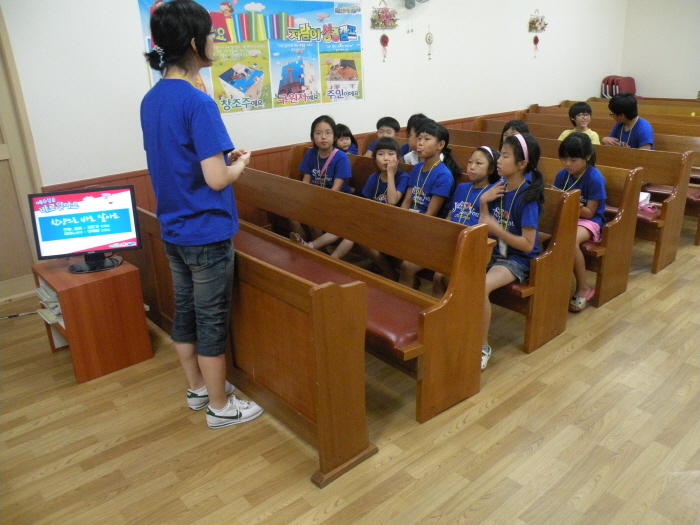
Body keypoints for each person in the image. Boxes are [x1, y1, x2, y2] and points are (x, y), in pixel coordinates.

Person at [141, 0, 263, 429]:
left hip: (173, 228)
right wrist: (239, 165)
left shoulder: (152, 98)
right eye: (212, 35)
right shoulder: (198, 102)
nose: (216, 42)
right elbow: (216, 179)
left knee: (187, 312)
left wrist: (220, 161)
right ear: (195, 43)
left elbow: (179, 160)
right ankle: (221, 407)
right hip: (206, 231)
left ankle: (197, 388)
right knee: (211, 321)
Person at [479, 133, 544, 369]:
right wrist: (483, 201)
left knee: (480, 286)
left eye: (505, 156)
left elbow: (527, 244)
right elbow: (483, 224)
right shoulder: (499, 187)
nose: (498, 160)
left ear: (522, 164)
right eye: (500, 154)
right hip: (495, 251)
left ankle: (482, 346)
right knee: (454, 275)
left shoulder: (528, 198)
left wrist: (497, 229)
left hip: (518, 259)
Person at [399, 121, 460, 288]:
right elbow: (407, 201)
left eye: (427, 139)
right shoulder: (417, 168)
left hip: (430, 231)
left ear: (440, 145)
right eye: (419, 138)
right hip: (412, 224)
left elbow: (430, 215)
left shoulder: (443, 175)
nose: (420, 143)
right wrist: (399, 222)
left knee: (407, 266)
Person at [433, 146, 501, 297]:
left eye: (479, 163)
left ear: (491, 169)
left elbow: (488, 229)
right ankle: (437, 310)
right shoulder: (461, 188)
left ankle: (459, 308)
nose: (472, 167)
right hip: (453, 241)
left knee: (443, 276)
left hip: (474, 246)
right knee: (437, 277)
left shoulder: (492, 192)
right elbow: (450, 216)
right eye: (470, 162)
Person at [553, 133, 606, 312]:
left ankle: (583, 286)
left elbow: (590, 212)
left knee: (570, 239)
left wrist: (572, 203)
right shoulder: (562, 175)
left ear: (587, 157)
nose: (568, 163)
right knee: (539, 233)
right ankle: (548, 281)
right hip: (567, 216)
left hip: (590, 221)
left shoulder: (594, 178)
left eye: (573, 159)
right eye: (564, 159)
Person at [290, 115, 352, 252]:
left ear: (334, 136)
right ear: (313, 137)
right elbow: (306, 182)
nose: (323, 137)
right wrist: (303, 200)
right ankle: (302, 247)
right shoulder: (311, 154)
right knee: (293, 217)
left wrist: (317, 203)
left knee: (314, 220)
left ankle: (319, 252)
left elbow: (336, 189)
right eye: (318, 133)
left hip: (336, 200)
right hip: (314, 198)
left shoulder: (341, 157)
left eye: (328, 133)